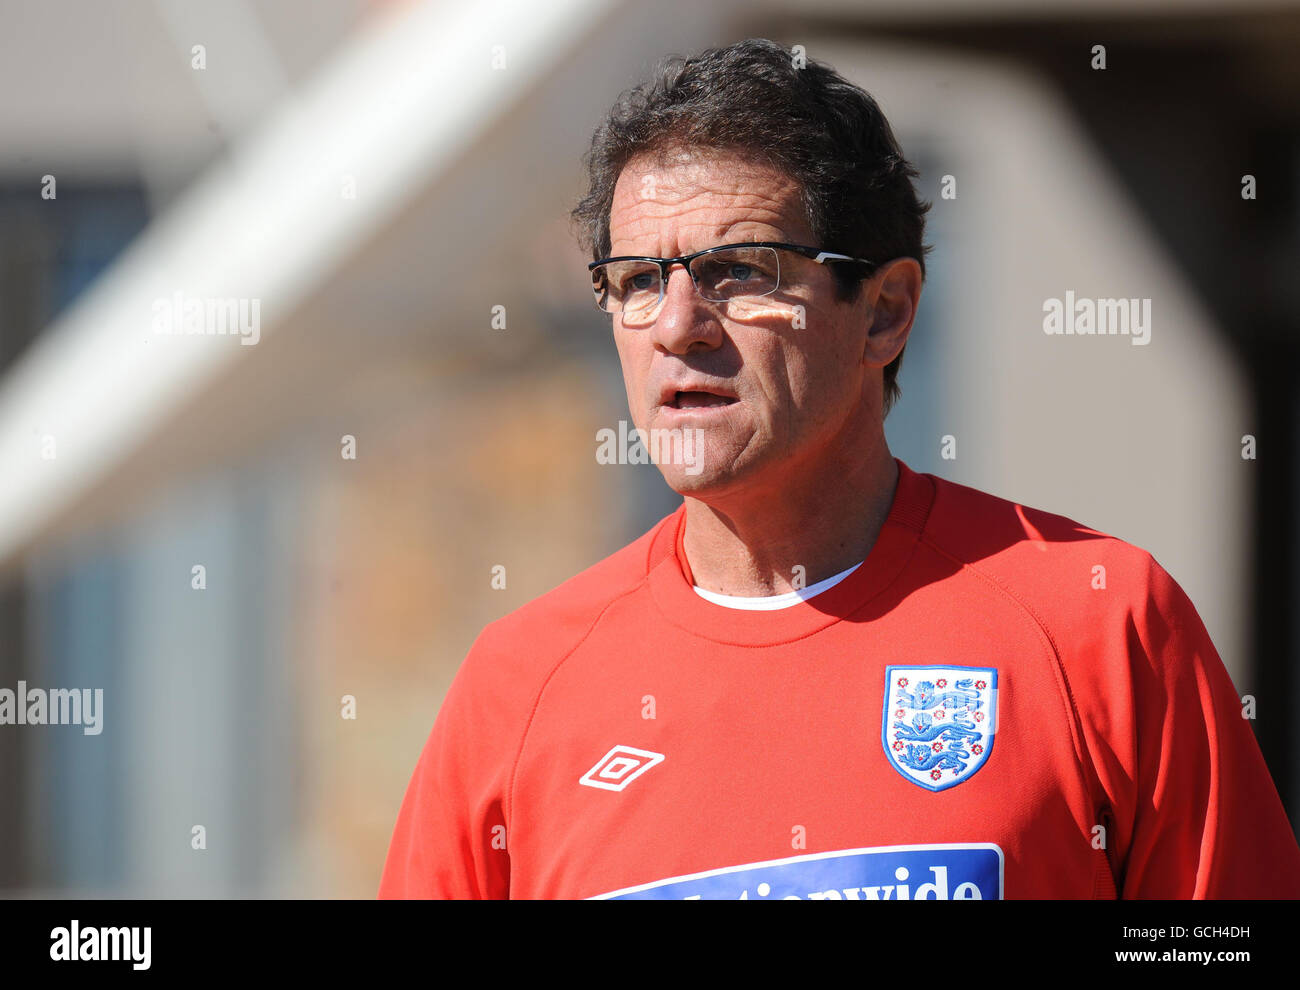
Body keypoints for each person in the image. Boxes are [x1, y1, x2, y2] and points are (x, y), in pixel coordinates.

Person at [379, 38, 1300, 899]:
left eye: (739, 271)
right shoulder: (518, 687)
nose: (676, 326)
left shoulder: (1102, 626)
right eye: (637, 281)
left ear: (887, 311)